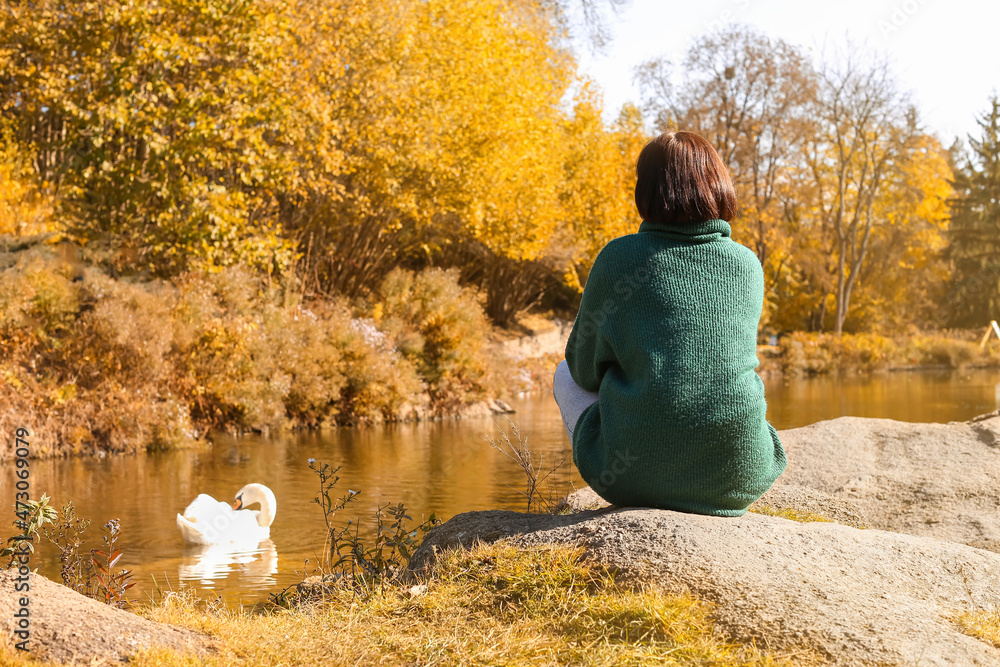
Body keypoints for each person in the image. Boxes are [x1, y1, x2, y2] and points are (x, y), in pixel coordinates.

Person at [553, 130, 786, 516]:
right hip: (737, 475)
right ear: (718, 184)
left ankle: (646, 469)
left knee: (562, 373)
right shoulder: (747, 265)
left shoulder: (619, 258)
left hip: (630, 478)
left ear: (646, 190)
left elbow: (582, 368)